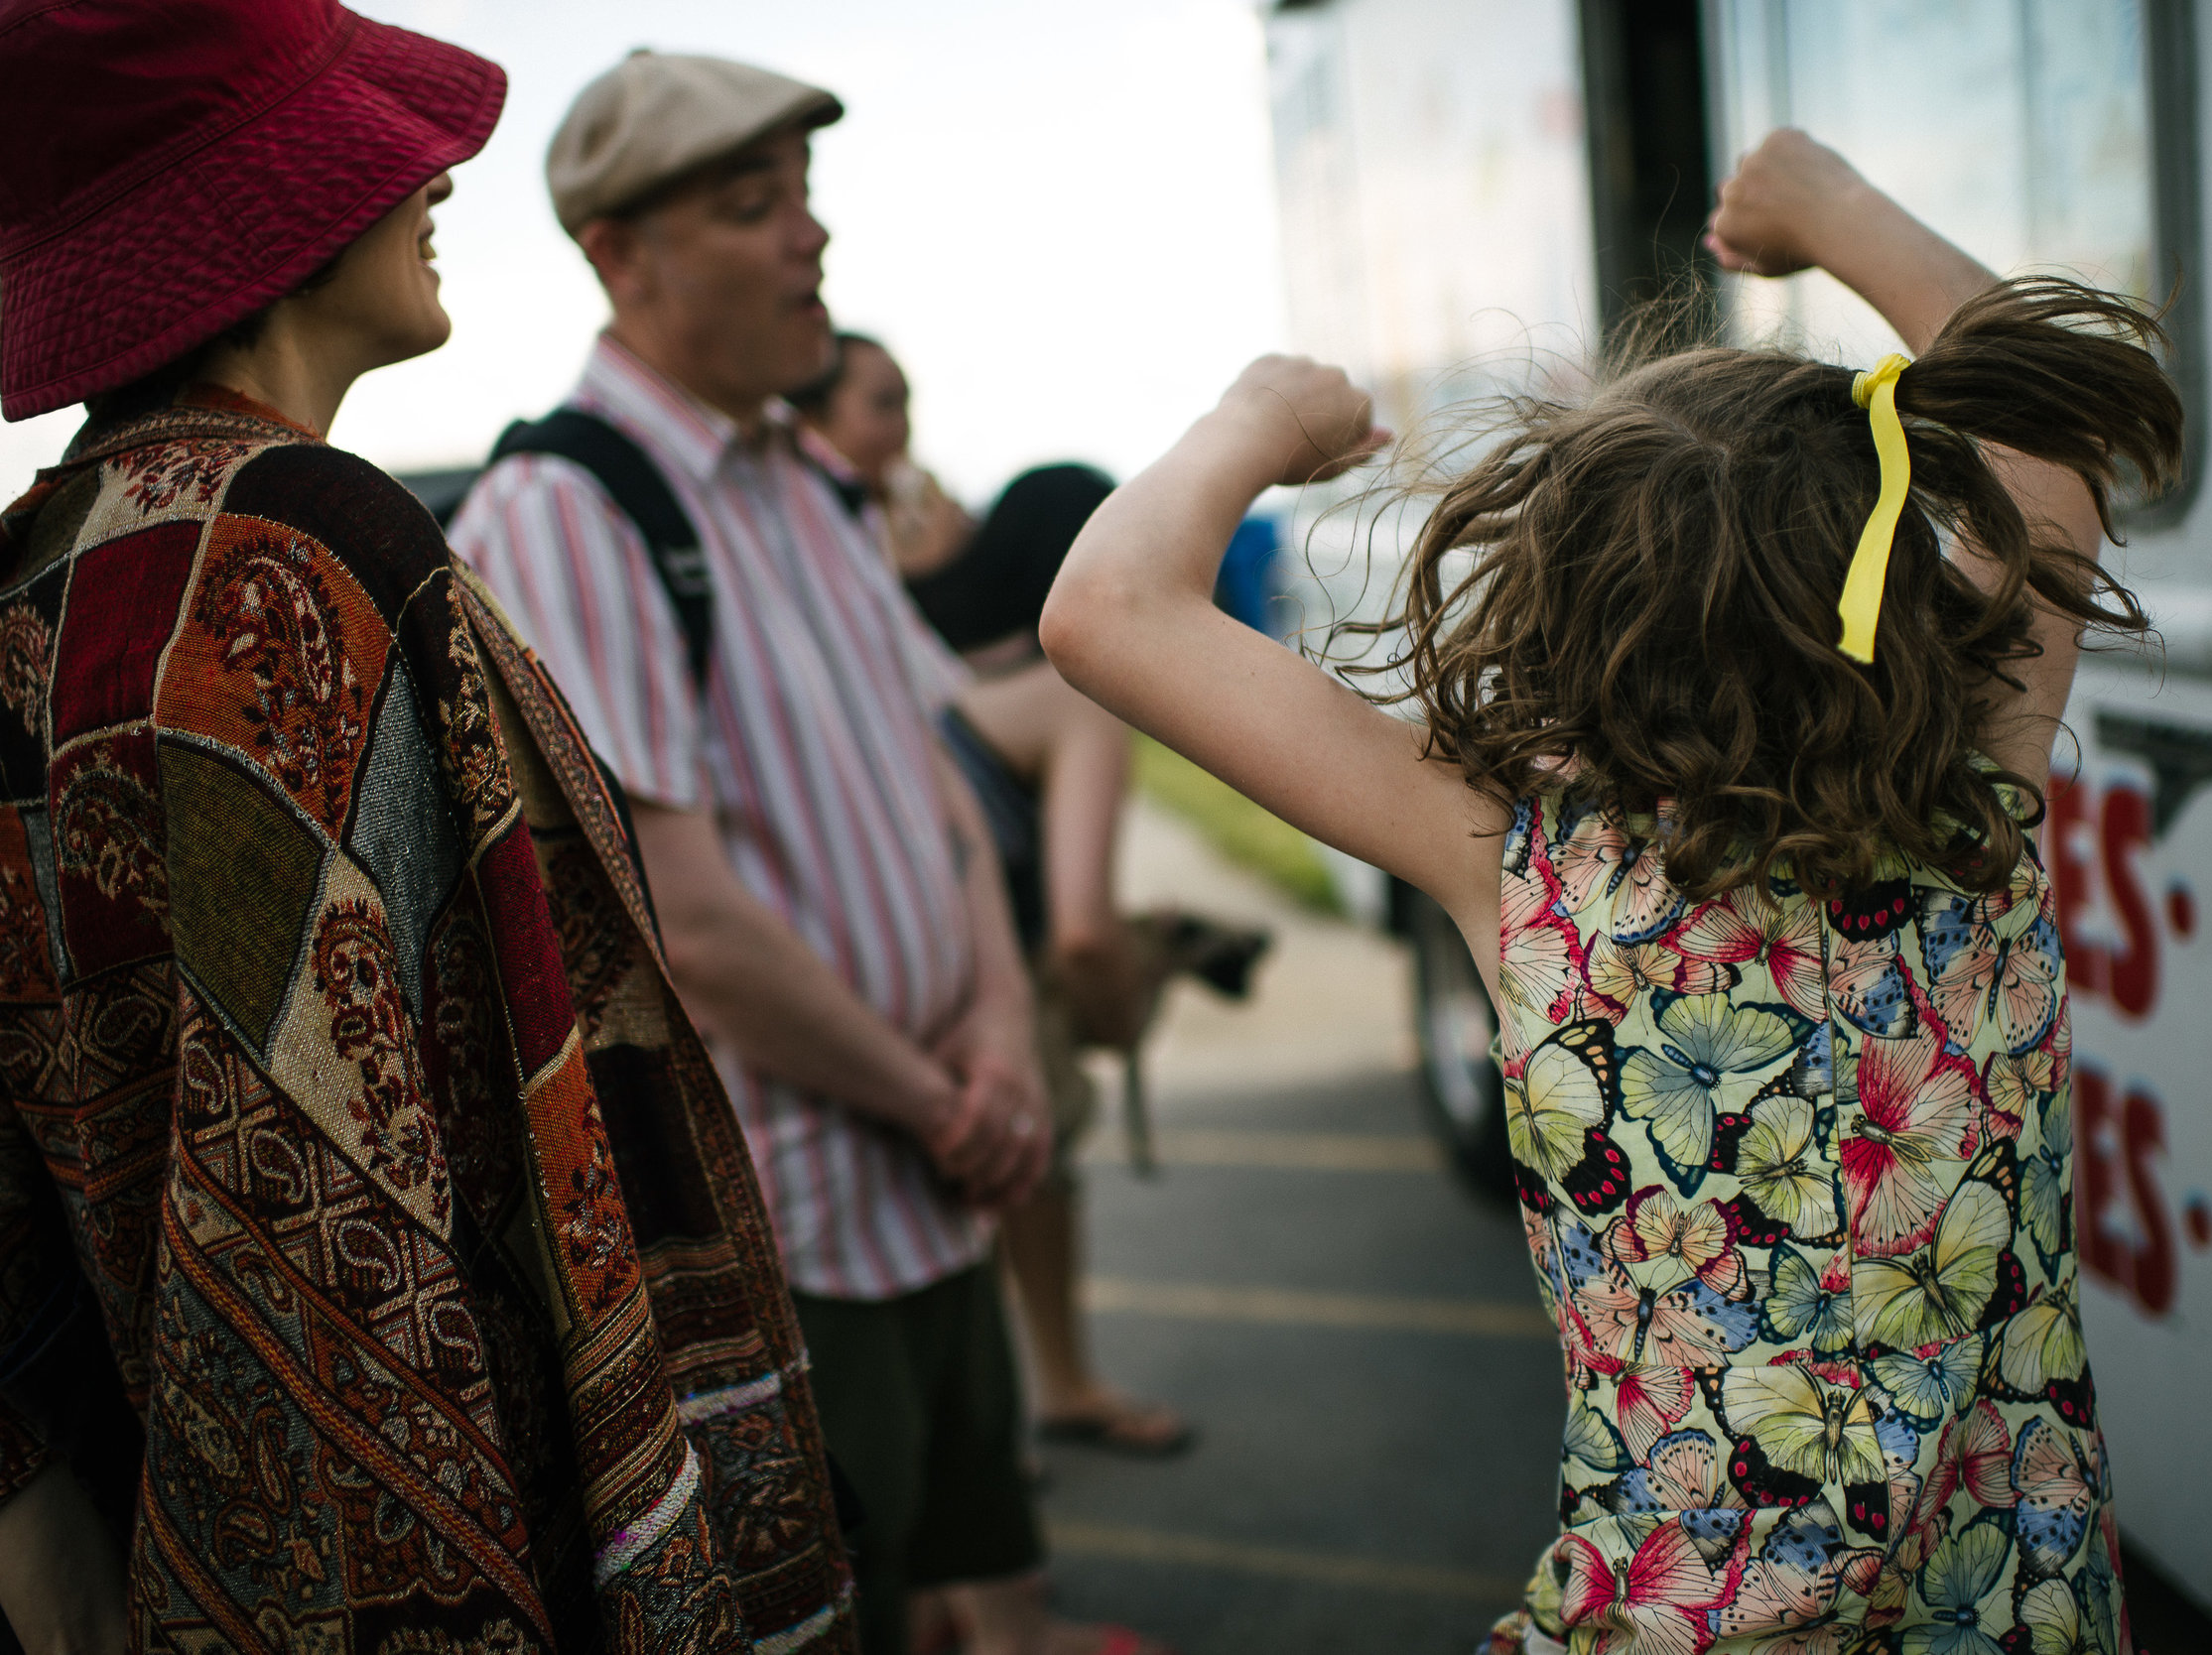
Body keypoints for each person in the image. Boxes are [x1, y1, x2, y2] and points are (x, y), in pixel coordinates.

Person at [1040, 128, 2182, 1655]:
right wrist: (1826, 211)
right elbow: (2048, 430)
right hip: (2011, 1610)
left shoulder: (1527, 877)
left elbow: (1107, 609)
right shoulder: (1970, 815)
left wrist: (1259, 417)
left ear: (1564, 603)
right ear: (1902, 595)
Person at [0, 3, 854, 1653]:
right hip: (459, 1523)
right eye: (376, 150)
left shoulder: (43, 570)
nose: (438, 174)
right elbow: (456, 1108)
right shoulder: (309, 548)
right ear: (275, 211)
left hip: (143, 1496)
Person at [449, 52, 1165, 1655]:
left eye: (805, 198)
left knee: (956, 1549)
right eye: (749, 206)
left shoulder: (809, 483)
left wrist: (993, 1030)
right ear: (618, 257)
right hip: (791, 1214)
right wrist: (950, 1097)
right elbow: (683, 923)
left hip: (932, 1168)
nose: (808, 241)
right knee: (842, 1593)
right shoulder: (568, 507)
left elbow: (935, 791)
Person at [798, 339, 1273, 1459]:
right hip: (974, 927)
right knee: (1014, 1153)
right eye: (877, 406)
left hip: (938, 911)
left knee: (983, 1176)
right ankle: (1022, 1416)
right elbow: (1074, 924)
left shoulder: (888, 550)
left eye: (904, 403)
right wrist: (1099, 980)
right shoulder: (842, 561)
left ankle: (1014, 1422)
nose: (898, 430)